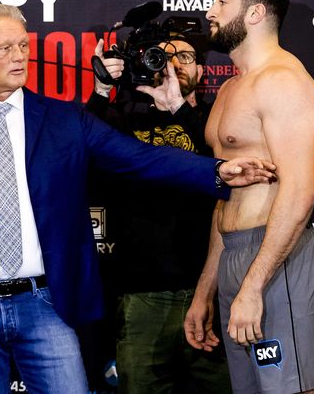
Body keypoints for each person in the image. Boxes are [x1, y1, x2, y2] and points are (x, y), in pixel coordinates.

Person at [0, 4, 274, 394]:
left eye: (22, 46)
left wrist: (216, 171)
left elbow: (141, 159)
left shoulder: (66, 120)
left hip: (46, 304)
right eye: (5, 48)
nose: (19, 57)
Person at [183, 0, 314, 394]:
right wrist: (206, 289)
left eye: (221, 1)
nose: (210, 11)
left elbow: (301, 193)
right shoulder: (231, 89)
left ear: (255, 13)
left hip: (276, 259)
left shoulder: (283, 82)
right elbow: (227, 198)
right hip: (236, 255)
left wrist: (254, 284)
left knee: (290, 389)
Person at [88, 33, 231, 393]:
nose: (175, 64)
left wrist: (179, 109)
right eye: (163, 56)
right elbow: (79, 155)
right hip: (142, 296)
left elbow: (231, 169)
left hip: (214, 289)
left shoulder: (218, 118)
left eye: (185, 55)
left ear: (202, 67)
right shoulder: (125, 121)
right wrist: (101, 92)